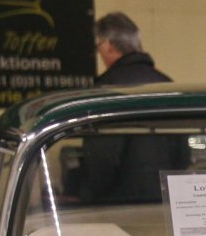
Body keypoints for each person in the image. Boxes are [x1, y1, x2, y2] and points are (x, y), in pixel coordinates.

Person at [78, 13, 183, 203]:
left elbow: (100, 161)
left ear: (108, 45)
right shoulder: (168, 86)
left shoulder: (106, 90)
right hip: (166, 202)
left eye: (98, 46)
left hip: (121, 205)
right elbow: (183, 152)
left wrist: (90, 197)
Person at [93, 12, 172, 86]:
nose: (99, 52)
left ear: (109, 46)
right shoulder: (166, 83)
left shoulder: (104, 87)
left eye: (98, 46)